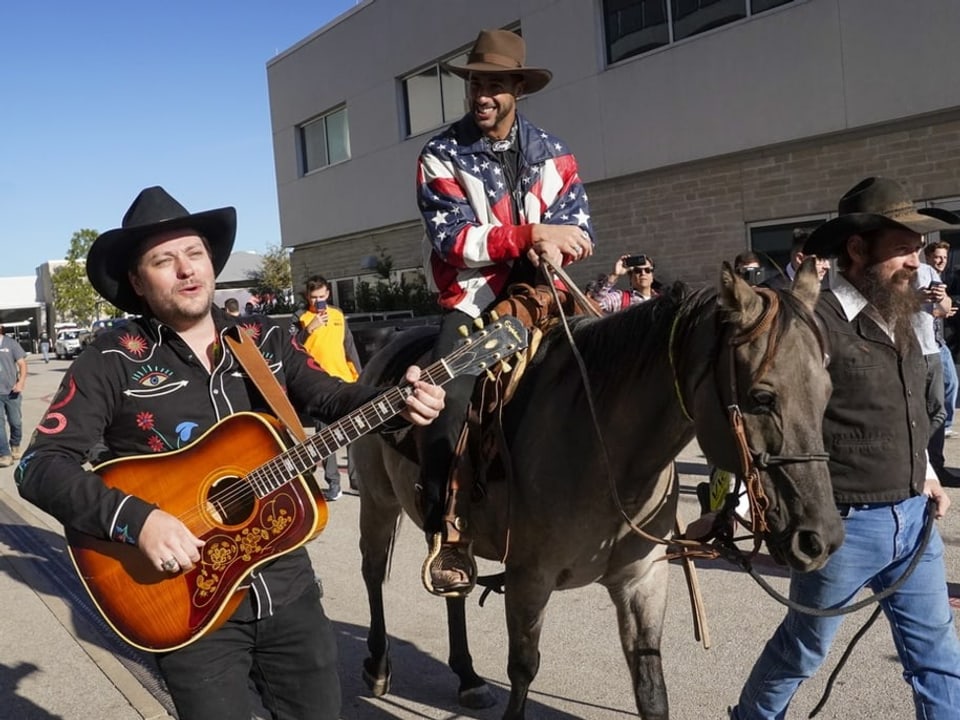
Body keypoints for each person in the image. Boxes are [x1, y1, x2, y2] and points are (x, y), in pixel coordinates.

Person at [14, 186, 445, 720]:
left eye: (194, 254)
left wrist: (396, 400)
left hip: (287, 588)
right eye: (163, 261)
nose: (186, 270)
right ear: (136, 282)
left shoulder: (263, 338)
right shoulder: (110, 359)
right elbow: (39, 466)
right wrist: (138, 522)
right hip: (188, 607)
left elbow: (331, 396)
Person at [730, 176, 960, 719]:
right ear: (857, 250)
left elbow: (904, 406)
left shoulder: (902, 310)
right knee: (802, 651)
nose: (915, 261)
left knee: (937, 659)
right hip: (845, 527)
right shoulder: (812, 322)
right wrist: (740, 500)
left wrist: (925, 472)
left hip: (913, 517)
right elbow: (773, 416)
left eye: (918, 249)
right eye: (902, 249)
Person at [416, 28, 595, 596]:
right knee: (448, 394)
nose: (483, 95)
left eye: (495, 84)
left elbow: (581, 232)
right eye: (476, 85)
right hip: (473, 300)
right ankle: (449, 529)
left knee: (609, 374)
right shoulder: (440, 156)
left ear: (518, 87)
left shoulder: (556, 154)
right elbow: (454, 241)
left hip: (548, 297)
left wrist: (560, 244)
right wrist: (531, 234)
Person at [291, 274, 362, 501]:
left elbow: (349, 346)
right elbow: (291, 348)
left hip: (344, 380)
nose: (318, 301)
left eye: (322, 297)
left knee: (352, 433)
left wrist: (360, 376)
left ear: (328, 294)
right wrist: (307, 330)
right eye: (314, 298)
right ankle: (333, 483)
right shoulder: (300, 317)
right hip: (318, 383)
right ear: (307, 297)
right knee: (326, 437)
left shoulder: (338, 315)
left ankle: (357, 480)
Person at [912, 245, 953, 483]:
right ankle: (915, 465)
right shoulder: (891, 273)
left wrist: (942, 298)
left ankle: (934, 467)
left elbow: (944, 308)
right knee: (912, 411)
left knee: (938, 411)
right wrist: (913, 298)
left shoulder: (928, 271)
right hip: (908, 352)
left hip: (932, 350)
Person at [924, 241, 959, 440]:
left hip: (938, 340)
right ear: (928, 257)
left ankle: (944, 425)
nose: (941, 261)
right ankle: (941, 426)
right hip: (928, 344)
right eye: (938, 257)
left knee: (951, 384)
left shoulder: (939, 278)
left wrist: (943, 311)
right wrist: (937, 312)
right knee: (944, 387)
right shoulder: (923, 276)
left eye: (945, 258)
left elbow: (942, 306)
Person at [762, 228, 831, 289]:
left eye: (827, 258)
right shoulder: (772, 290)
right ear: (799, 258)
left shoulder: (826, 286)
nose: (827, 266)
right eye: (820, 259)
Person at [592, 253, 658, 313]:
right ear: (630, 276)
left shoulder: (661, 300)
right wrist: (614, 275)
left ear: (652, 276)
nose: (643, 273)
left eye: (647, 270)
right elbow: (595, 303)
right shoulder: (621, 298)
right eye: (637, 271)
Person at [0, 325, 27, 468]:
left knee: (15, 422)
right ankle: (4, 454)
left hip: (12, 392)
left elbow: (22, 364)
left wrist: (21, 382)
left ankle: (15, 446)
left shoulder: (10, 344)